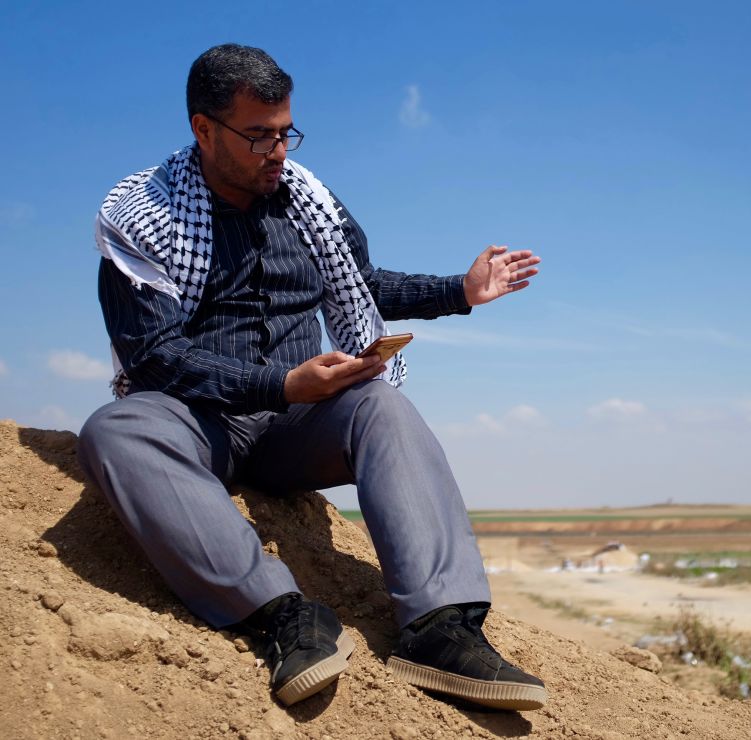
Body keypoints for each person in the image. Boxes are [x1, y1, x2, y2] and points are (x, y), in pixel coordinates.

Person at [76, 43, 546, 711]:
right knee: (114, 430)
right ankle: (282, 615)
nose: (279, 152)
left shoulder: (308, 203)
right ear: (203, 130)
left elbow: (363, 283)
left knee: (379, 402)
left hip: (294, 426)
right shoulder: (144, 220)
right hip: (197, 420)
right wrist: (280, 384)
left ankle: (441, 630)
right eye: (259, 136)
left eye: (286, 132)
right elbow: (153, 353)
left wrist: (460, 291)